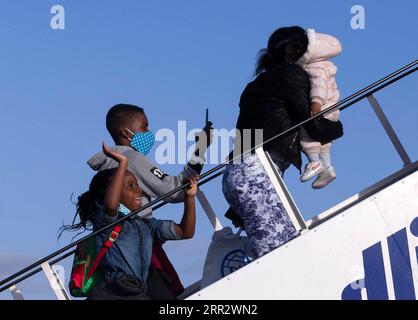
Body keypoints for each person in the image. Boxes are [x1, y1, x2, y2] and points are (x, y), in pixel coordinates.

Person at [222, 26, 343, 258]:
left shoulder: (255, 85)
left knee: (278, 249)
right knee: (279, 255)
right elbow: (314, 125)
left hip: (239, 173)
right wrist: (338, 126)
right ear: (294, 51)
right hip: (258, 173)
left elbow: (245, 135)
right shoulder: (291, 75)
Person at [87, 103, 212, 297]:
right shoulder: (132, 159)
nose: (149, 132)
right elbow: (175, 189)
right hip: (145, 247)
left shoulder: (109, 165)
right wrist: (201, 148)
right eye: (144, 127)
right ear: (126, 132)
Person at [64, 142, 198, 300]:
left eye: (137, 185)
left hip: (135, 292)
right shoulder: (106, 222)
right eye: (130, 186)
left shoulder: (145, 225)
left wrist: (190, 198)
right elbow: (111, 206)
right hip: (113, 293)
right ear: (111, 193)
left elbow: (185, 232)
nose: (138, 190)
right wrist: (123, 163)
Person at [293, 28, 342, 188]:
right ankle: (327, 168)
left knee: (306, 134)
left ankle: (314, 162)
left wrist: (316, 101)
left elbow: (318, 85)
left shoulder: (315, 67)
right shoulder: (326, 65)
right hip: (331, 108)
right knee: (324, 140)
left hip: (321, 108)